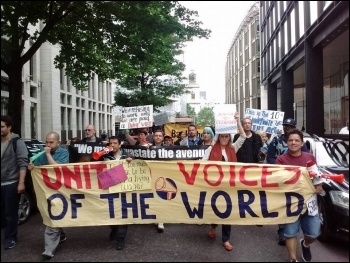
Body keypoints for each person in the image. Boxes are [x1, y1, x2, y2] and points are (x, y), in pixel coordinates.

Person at [275, 129, 323, 262]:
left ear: (302, 143)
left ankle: (306, 244)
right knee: (290, 234)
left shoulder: (310, 158)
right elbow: (278, 181)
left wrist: (319, 186)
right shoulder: (280, 160)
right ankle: (293, 259)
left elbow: (317, 177)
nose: (293, 143)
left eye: (296, 140)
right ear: (287, 143)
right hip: (291, 203)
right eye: (290, 140)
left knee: (313, 233)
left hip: (309, 203)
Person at [201, 112, 246, 251]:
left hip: (229, 185)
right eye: (222, 136)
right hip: (214, 185)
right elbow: (202, 163)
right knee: (215, 207)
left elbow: (243, 136)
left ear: (230, 137)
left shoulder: (233, 148)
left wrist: (238, 121)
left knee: (228, 211)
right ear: (218, 137)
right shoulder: (210, 149)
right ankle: (213, 226)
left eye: (227, 136)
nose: (224, 138)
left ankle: (226, 239)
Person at [266, 118, 310, 246]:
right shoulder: (276, 140)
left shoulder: (300, 142)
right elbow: (270, 156)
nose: (287, 128)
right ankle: (282, 231)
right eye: (285, 126)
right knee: (282, 203)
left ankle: (295, 228)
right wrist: (280, 165)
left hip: (297, 180)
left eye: (290, 126)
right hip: (281, 177)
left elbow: (306, 157)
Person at [28, 132, 69, 259]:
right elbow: (38, 167)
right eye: (46, 142)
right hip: (46, 190)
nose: (48, 145)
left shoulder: (64, 153)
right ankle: (60, 235)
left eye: (51, 142)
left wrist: (47, 154)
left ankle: (48, 250)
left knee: (53, 216)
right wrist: (32, 167)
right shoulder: (42, 153)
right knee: (51, 214)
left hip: (59, 190)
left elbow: (58, 168)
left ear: (58, 142)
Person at [100, 136, 133, 250]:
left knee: (123, 213)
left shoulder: (127, 155)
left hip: (124, 188)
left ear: (120, 145)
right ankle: (114, 229)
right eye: (110, 143)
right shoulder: (104, 155)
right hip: (110, 188)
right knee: (111, 213)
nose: (112, 145)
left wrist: (131, 161)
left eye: (115, 143)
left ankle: (120, 239)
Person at [1, 115, 28, 250]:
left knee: (10, 213)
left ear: (9, 127)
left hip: (10, 182)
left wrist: (21, 182)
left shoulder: (17, 142)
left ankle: (10, 237)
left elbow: (23, 163)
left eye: (2, 127)